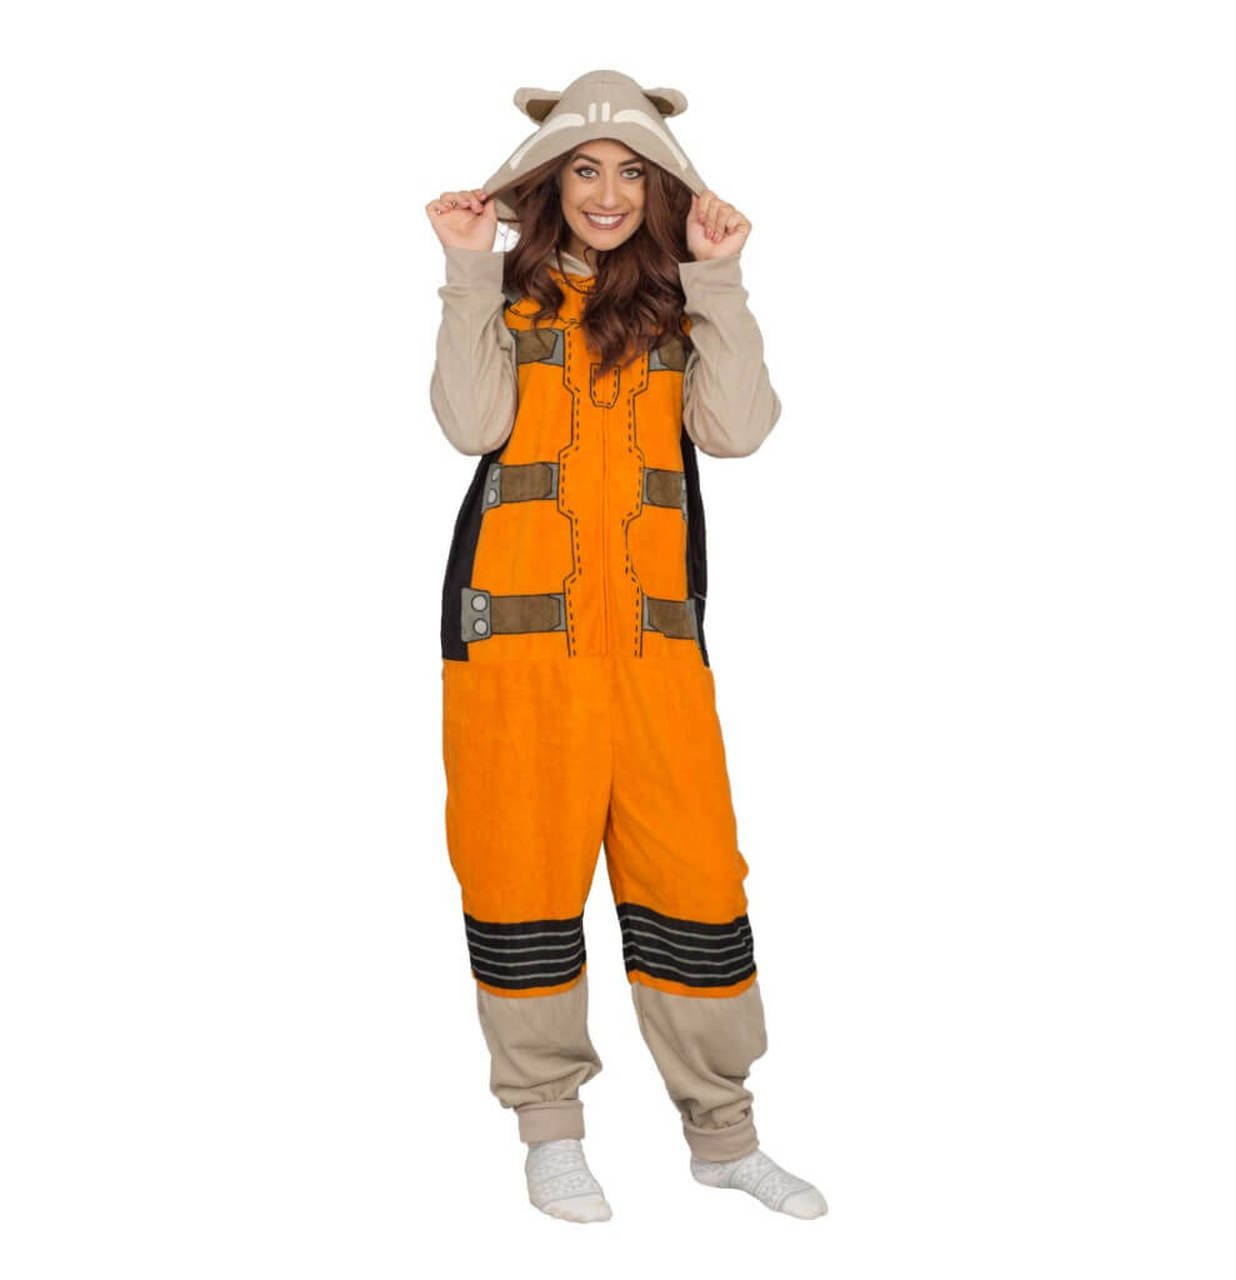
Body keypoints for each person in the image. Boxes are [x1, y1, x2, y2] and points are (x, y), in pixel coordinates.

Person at [425, 69, 827, 1223]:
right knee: (520, 873)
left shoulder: (676, 307)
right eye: (585, 171)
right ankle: (550, 1131)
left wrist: (717, 278)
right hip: (513, 654)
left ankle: (722, 1136)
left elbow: (736, 430)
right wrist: (465, 268)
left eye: (632, 174)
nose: (607, 193)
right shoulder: (502, 297)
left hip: (654, 654)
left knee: (694, 876)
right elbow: (470, 422)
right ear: (549, 183)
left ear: (661, 189)